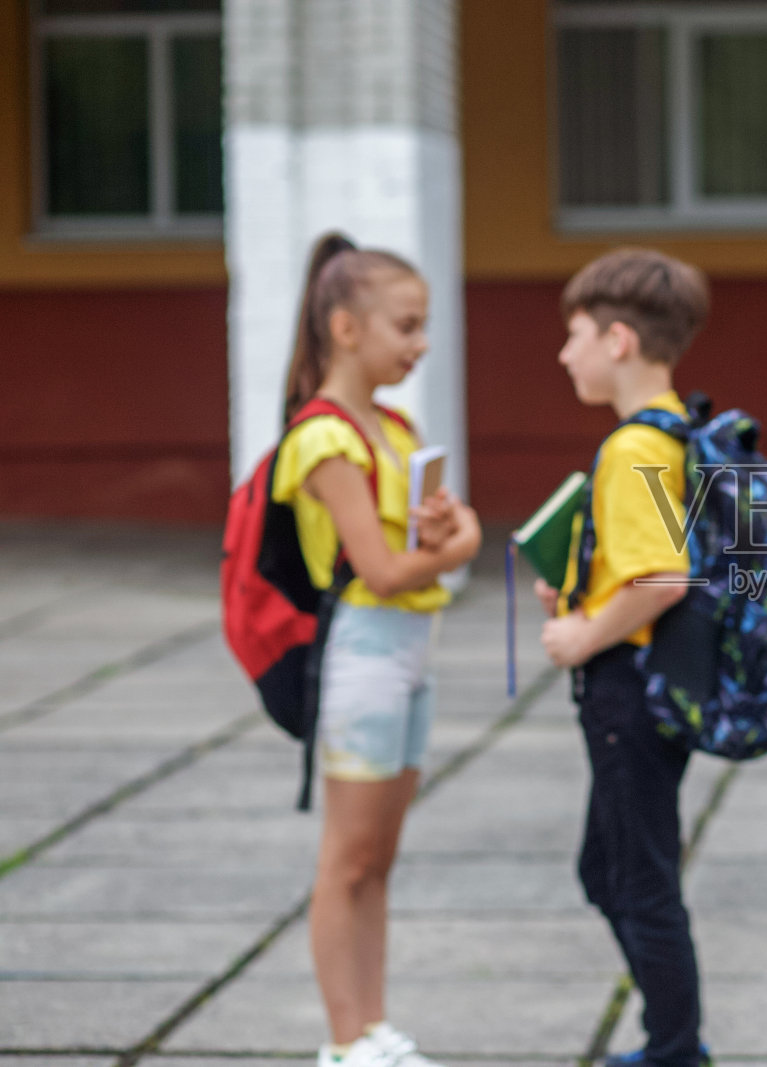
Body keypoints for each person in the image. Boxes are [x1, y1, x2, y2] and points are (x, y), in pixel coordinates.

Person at [273, 233, 481, 1067]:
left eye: (423, 323)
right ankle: (344, 1038)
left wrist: (446, 536)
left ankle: (374, 1029)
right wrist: (452, 547)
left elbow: (448, 525)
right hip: (362, 650)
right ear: (346, 328)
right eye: (407, 324)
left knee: (380, 858)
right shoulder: (321, 440)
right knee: (348, 856)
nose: (421, 342)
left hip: (410, 650)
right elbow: (387, 570)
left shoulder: (395, 424)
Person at [534, 248, 713, 1067]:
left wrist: (581, 634)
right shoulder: (678, 428)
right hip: (650, 682)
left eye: (572, 337)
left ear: (616, 340)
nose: (562, 356)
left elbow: (663, 578)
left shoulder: (634, 448)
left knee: (637, 882)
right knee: (608, 870)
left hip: (628, 694)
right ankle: (672, 1041)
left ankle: (674, 1051)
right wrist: (580, 598)